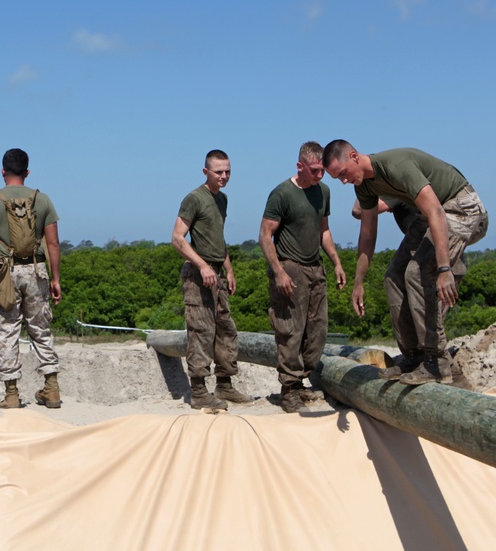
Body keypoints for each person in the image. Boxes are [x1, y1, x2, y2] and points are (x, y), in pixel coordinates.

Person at [324, 141, 488, 385]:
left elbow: (437, 213)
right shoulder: (365, 187)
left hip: (461, 207)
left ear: (354, 156)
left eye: (343, 173)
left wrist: (444, 269)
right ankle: (413, 356)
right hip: (432, 213)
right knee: (394, 275)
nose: (344, 181)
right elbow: (367, 236)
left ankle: (436, 361)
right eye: (337, 178)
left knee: (417, 272)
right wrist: (359, 283)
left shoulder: (396, 167)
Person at [259, 142, 347, 413]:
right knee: (290, 330)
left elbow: (324, 231)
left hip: (315, 267)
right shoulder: (282, 193)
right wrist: (279, 271)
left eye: (322, 170)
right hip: (290, 266)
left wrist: (336, 263)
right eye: (315, 170)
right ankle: (289, 388)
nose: (320, 175)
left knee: (318, 330)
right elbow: (265, 235)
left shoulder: (324, 191)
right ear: (300, 166)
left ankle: (301, 381)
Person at [0, 148, 62, 409]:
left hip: (4, 275)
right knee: (40, 328)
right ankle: (52, 388)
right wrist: (55, 279)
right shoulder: (42, 200)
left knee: (7, 330)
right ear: (27, 172)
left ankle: (11, 393)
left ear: (3, 172)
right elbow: (53, 244)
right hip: (36, 270)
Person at [350, 197, 472, 389]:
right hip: (433, 260)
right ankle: (420, 361)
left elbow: (359, 210)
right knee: (424, 321)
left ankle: (455, 381)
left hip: (439, 264)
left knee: (431, 323)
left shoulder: (393, 188)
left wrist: (369, 190)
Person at [171, 149, 251, 410]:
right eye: (219, 172)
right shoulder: (194, 198)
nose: (224, 176)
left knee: (226, 329)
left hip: (217, 272)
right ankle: (199, 392)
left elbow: (218, 238)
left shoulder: (222, 199)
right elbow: (177, 238)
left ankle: (225, 385)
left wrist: (228, 269)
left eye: (228, 171)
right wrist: (203, 265)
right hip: (197, 274)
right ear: (206, 172)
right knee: (201, 331)